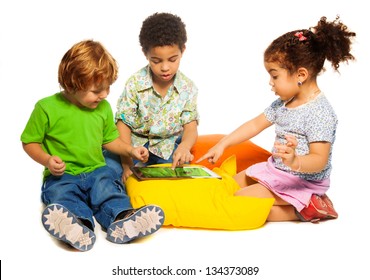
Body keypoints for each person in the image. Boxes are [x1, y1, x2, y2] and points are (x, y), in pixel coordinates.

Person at [197, 16, 356, 223]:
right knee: (227, 185)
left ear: (301, 74)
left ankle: (306, 208)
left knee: (241, 202)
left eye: (275, 76)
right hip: (276, 170)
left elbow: (320, 159)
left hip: (302, 181)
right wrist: (223, 143)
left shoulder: (320, 113)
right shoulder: (284, 103)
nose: (270, 83)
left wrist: (295, 161)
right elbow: (255, 124)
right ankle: (294, 201)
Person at [21, 40, 165, 251]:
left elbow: (109, 140)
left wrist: (130, 150)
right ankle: (77, 226)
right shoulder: (46, 108)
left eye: (107, 87)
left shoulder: (103, 108)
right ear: (72, 84)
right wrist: (47, 160)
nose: (105, 94)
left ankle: (123, 219)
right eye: (97, 90)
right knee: (63, 196)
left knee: (109, 191)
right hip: (64, 175)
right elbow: (29, 141)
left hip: (97, 171)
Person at [104, 12, 199, 182]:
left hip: (167, 148)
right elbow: (123, 124)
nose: (164, 67)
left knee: (177, 178)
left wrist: (185, 146)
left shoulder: (188, 87)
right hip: (132, 146)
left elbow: (190, 127)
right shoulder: (135, 83)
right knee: (109, 170)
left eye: (172, 59)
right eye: (156, 61)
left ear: (182, 50)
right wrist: (126, 163)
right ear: (145, 53)